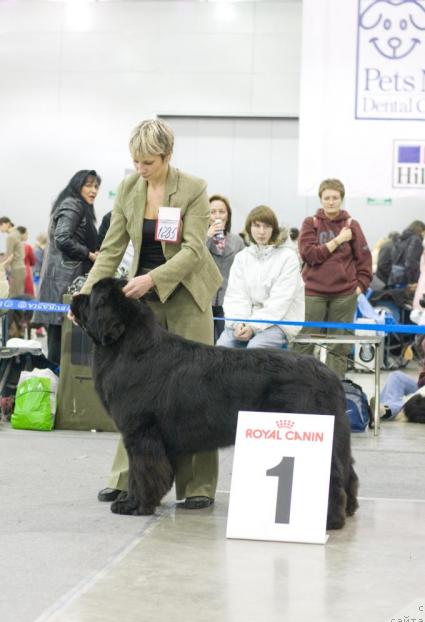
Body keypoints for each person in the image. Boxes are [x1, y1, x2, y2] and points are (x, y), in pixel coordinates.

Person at [73, 118, 222, 510]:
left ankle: (198, 486)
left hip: (187, 294)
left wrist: (150, 278)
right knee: (133, 392)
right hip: (144, 298)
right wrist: (86, 298)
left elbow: (192, 251)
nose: (140, 169)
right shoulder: (128, 188)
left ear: (168, 156)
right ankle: (126, 481)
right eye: (136, 161)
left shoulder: (193, 188)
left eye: (148, 162)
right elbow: (110, 249)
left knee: (194, 391)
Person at [292, 178, 372, 379]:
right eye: (326, 198)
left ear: (341, 199)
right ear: (320, 199)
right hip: (313, 293)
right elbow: (310, 255)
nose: (330, 202)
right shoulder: (311, 223)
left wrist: (360, 287)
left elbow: (364, 259)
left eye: (335, 197)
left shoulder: (352, 225)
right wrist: (338, 240)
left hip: (344, 295)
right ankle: (298, 384)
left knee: (339, 346)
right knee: (303, 341)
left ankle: (333, 387)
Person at [34, 170, 101, 365]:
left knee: (61, 341)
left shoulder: (74, 205)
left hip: (63, 280)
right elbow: (62, 238)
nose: (94, 190)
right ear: (77, 185)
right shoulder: (73, 205)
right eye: (89, 185)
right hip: (64, 282)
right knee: (59, 342)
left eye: (96, 186)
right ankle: (56, 390)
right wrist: (89, 254)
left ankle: (58, 388)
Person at [217, 205, 304, 349]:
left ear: (274, 229)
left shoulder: (288, 258)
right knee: (222, 348)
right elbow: (236, 296)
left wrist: (253, 327)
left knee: (255, 349)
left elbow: (280, 302)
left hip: (280, 322)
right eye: (257, 226)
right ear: (249, 228)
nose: (261, 231)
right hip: (244, 321)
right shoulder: (242, 258)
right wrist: (239, 324)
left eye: (266, 226)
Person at [207, 194, 245, 342]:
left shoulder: (237, 241)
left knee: (226, 345)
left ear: (228, 215)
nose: (217, 216)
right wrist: (207, 236)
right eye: (213, 211)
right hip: (204, 303)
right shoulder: (199, 238)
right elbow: (193, 259)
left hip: (228, 304)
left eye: (222, 212)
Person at [0, 216, 26, 297]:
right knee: (18, 295)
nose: (0, 229)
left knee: (13, 296)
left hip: (16, 268)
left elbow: (9, 255)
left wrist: (2, 264)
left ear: (7, 224)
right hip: (20, 267)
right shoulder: (17, 234)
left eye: (0, 225)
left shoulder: (11, 237)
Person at [16, 226, 36, 296]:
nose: (27, 236)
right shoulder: (27, 247)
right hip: (26, 273)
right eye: (26, 234)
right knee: (28, 297)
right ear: (22, 234)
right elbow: (33, 262)